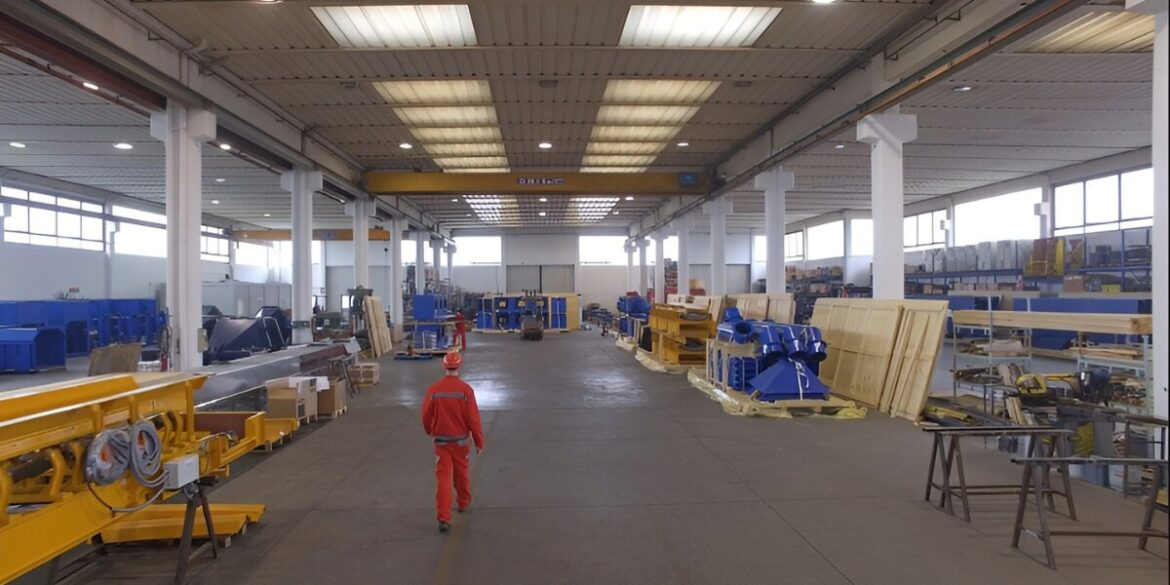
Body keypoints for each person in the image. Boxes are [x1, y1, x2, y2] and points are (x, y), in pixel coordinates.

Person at [420, 352, 484, 534]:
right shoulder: (465, 391)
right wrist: (479, 441)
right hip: (461, 442)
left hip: (441, 442)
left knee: (443, 479)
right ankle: (463, 502)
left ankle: (443, 518)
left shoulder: (434, 389)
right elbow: (473, 419)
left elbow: (425, 414)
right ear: (460, 366)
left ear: (444, 366)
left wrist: (429, 430)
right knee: (462, 473)